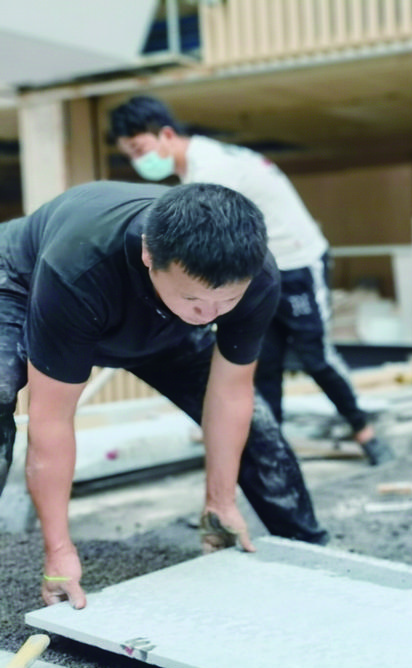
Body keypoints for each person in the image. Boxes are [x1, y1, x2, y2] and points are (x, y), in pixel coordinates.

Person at [0, 181, 332, 610]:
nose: (210, 316)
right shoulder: (79, 265)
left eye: (226, 301)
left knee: (260, 433)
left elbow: (231, 393)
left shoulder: (257, 277)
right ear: (148, 256)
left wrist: (221, 500)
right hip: (21, 287)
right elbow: (52, 420)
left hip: (161, 322)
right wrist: (59, 552)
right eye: (196, 298)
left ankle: (313, 556)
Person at [109, 95, 394, 466]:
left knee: (316, 356)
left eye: (139, 148)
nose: (137, 161)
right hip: (260, 269)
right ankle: (273, 454)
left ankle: (365, 433)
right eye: (129, 155)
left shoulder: (211, 169)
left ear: (165, 134)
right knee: (265, 361)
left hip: (296, 262)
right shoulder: (197, 168)